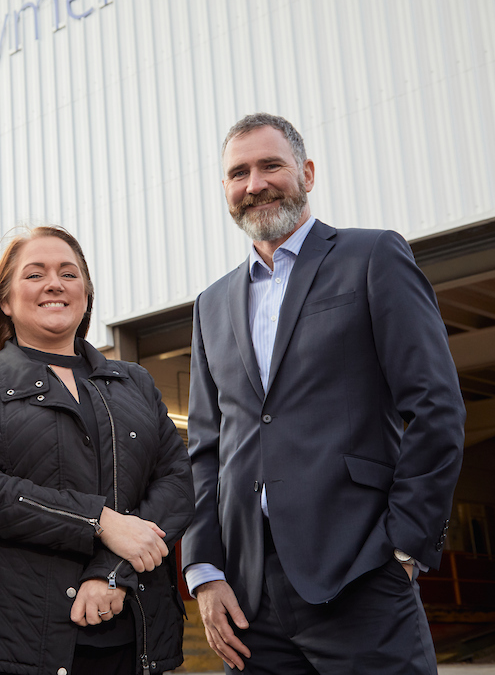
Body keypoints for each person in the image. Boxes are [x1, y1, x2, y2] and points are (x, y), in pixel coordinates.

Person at [181, 113, 466, 674]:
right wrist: (205, 571)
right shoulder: (210, 306)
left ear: (306, 172)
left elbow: (435, 406)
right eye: (238, 173)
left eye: (271, 165)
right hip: (249, 598)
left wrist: (403, 548)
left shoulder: (373, 257)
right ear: (225, 190)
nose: (255, 183)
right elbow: (205, 450)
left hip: (360, 575)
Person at [0, 226, 195, 675]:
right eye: (34, 274)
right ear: (6, 301)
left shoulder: (134, 382)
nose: (55, 283)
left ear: (86, 295)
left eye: (68, 273)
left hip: (132, 635)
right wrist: (98, 521)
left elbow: (176, 483)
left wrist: (112, 570)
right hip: (13, 642)